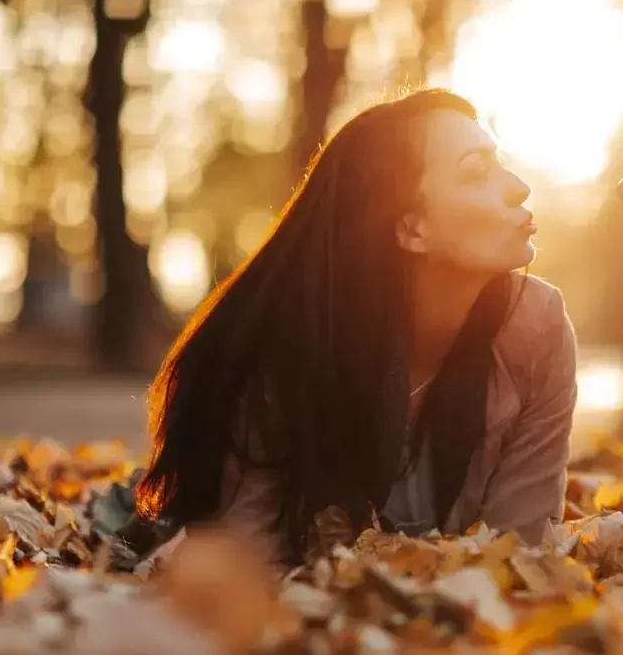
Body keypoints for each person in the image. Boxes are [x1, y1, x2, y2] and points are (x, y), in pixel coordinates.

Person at [133, 89, 578, 567]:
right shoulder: (288, 347)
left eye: (502, 164)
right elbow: (247, 569)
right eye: (476, 172)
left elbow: (522, 554)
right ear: (411, 228)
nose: (518, 188)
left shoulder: (537, 326)